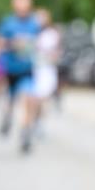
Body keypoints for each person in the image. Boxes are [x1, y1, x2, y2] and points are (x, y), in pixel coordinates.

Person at [0, 0, 41, 145]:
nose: (22, 6)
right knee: (11, 99)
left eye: (25, 2)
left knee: (29, 99)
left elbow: (39, 43)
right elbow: (0, 42)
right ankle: (7, 117)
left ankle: (25, 130)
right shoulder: (8, 22)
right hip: (11, 68)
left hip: (27, 68)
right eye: (19, 2)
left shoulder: (35, 23)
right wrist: (13, 43)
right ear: (14, 5)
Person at [22, 8, 62, 153]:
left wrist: (51, 56)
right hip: (33, 70)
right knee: (33, 99)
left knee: (43, 99)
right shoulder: (30, 33)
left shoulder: (52, 34)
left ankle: (39, 122)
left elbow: (57, 52)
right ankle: (31, 124)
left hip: (46, 70)